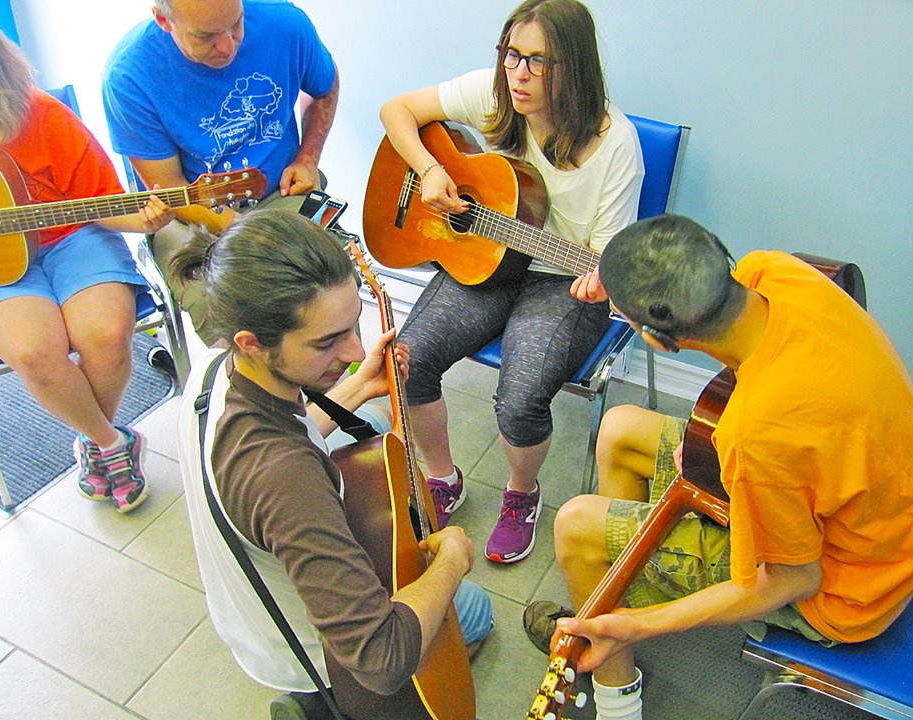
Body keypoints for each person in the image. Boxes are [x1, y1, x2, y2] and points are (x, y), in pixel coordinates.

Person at [524, 214, 913, 720]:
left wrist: (641, 628)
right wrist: (622, 280)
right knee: (619, 428)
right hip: (868, 498)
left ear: (660, 341)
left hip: (850, 588)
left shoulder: (753, 439)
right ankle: (629, 593)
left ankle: (617, 692)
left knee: (575, 526)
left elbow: (795, 579)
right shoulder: (775, 273)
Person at [173, 209, 493, 720]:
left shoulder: (215, 370)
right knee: (474, 607)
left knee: (364, 414)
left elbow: (290, 432)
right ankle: (328, 707)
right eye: (326, 342)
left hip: (249, 623)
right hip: (315, 654)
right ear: (252, 342)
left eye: (352, 325)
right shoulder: (284, 478)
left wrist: (361, 384)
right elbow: (379, 658)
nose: (355, 349)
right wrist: (453, 557)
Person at [378, 0, 644, 564]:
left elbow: (603, 261)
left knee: (520, 398)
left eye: (537, 62)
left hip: (564, 280)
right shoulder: (497, 95)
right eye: (511, 55)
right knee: (407, 358)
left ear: (573, 67)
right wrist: (430, 170)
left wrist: (604, 280)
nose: (517, 74)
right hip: (486, 258)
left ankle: (521, 493)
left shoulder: (616, 145)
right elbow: (395, 109)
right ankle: (442, 476)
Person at [0, 2, 175, 512]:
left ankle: (96, 441)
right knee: (34, 350)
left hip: (72, 239)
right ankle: (111, 443)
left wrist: (145, 218)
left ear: (0, 71)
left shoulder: (44, 115)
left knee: (103, 335)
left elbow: (104, 203)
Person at [102, 0, 339, 343]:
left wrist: (308, 156)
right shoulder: (128, 75)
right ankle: (248, 395)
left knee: (325, 288)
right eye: (206, 36)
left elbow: (324, 85)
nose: (228, 45)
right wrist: (246, 232)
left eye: (236, 24)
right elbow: (170, 187)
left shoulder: (284, 22)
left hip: (278, 193)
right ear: (163, 20)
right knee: (222, 307)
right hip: (188, 213)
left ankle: (338, 393)